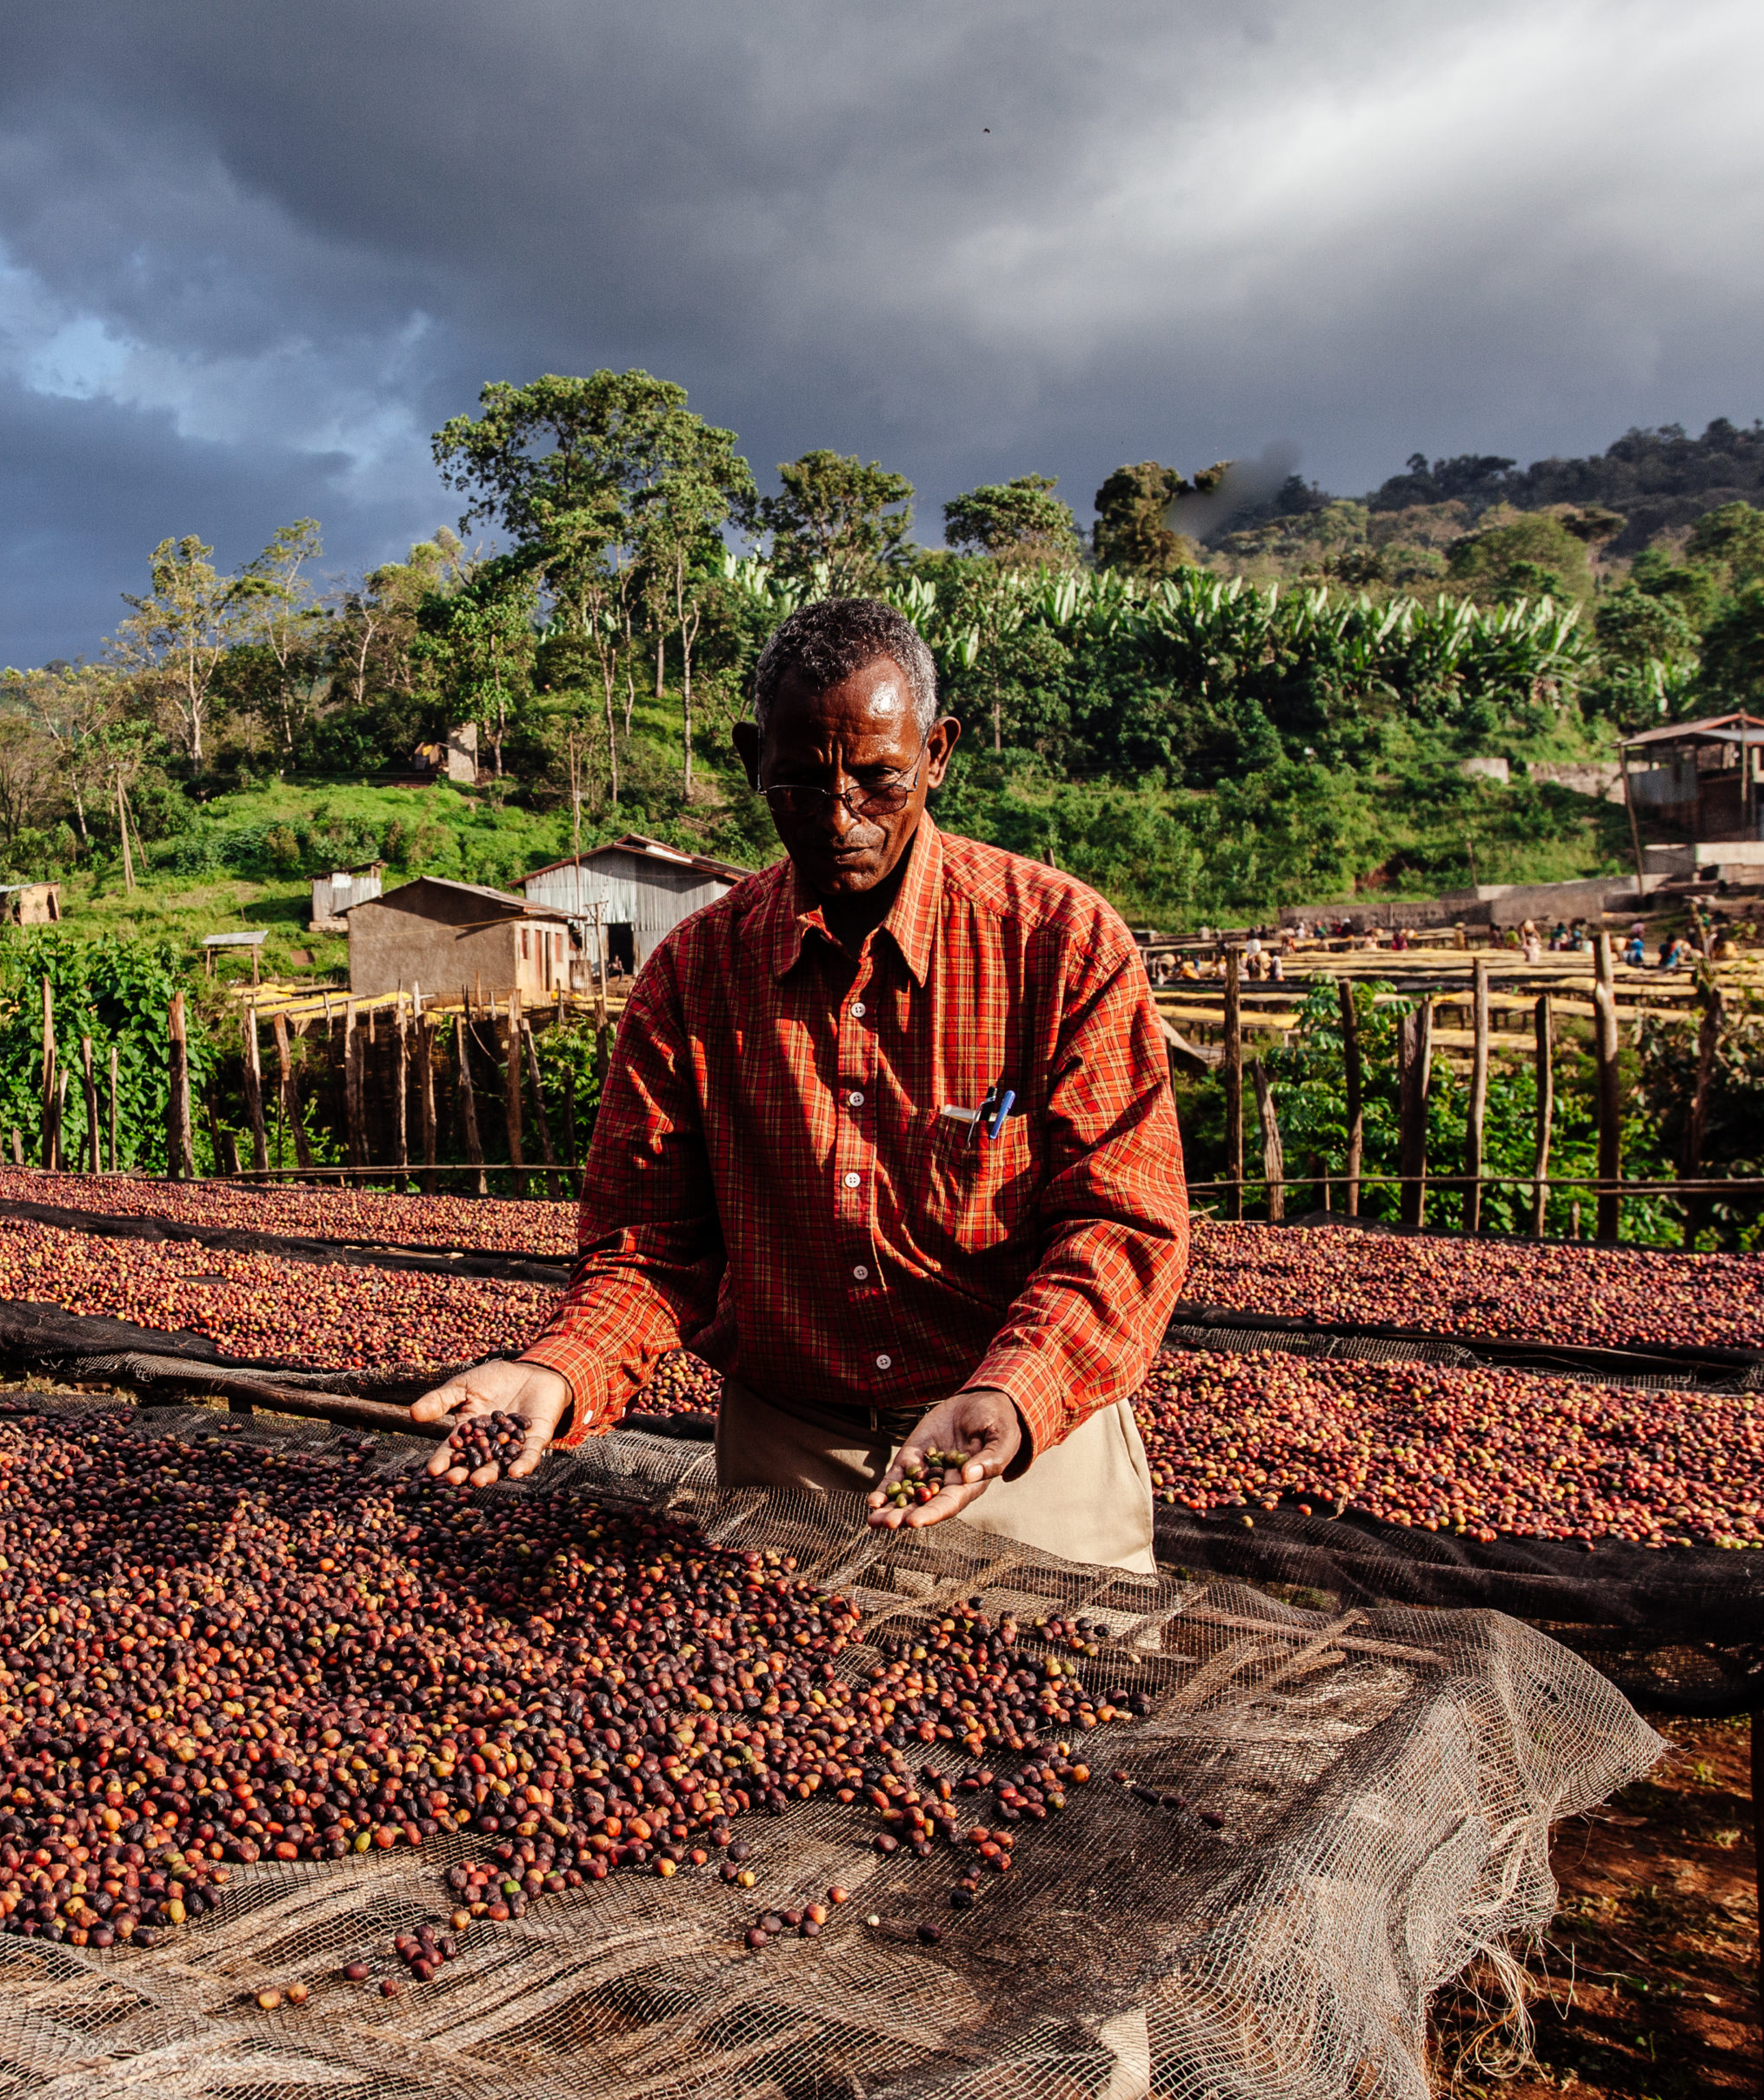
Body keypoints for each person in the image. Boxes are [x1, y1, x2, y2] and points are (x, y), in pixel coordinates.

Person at [411, 597, 1189, 1573]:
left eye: (877, 780)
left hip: (1021, 1447)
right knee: (800, 1711)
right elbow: (651, 1246)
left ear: (936, 753)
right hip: (792, 1456)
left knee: (1070, 1704)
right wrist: (554, 1370)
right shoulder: (695, 976)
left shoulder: (1058, 944)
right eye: (798, 783)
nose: (837, 820)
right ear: (751, 760)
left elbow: (1121, 1224)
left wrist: (1014, 1391)